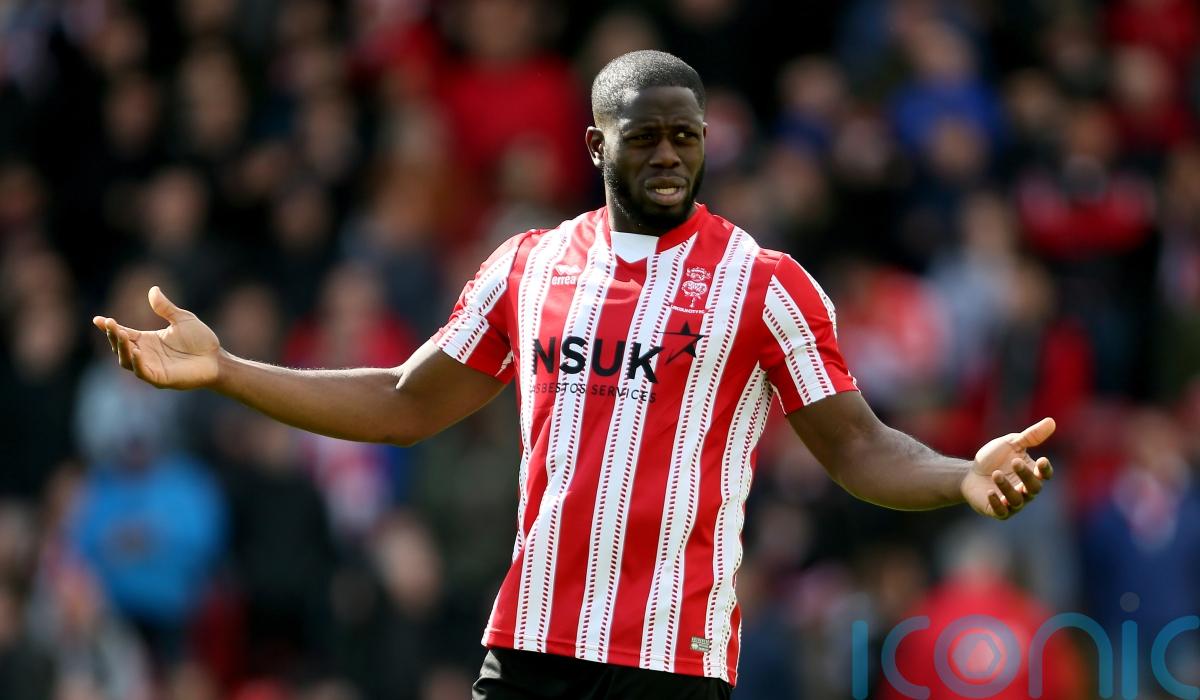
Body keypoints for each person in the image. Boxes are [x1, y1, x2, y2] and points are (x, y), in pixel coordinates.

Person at [93, 50, 1056, 700]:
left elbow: (860, 448)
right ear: (597, 144)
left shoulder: (765, 284)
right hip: (529, 645)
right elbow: (402, 403)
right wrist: (228, 372)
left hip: (671, 662)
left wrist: (960, 476)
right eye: (645, 135)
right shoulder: (530, 264)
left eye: (686, 136)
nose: (669, 155)